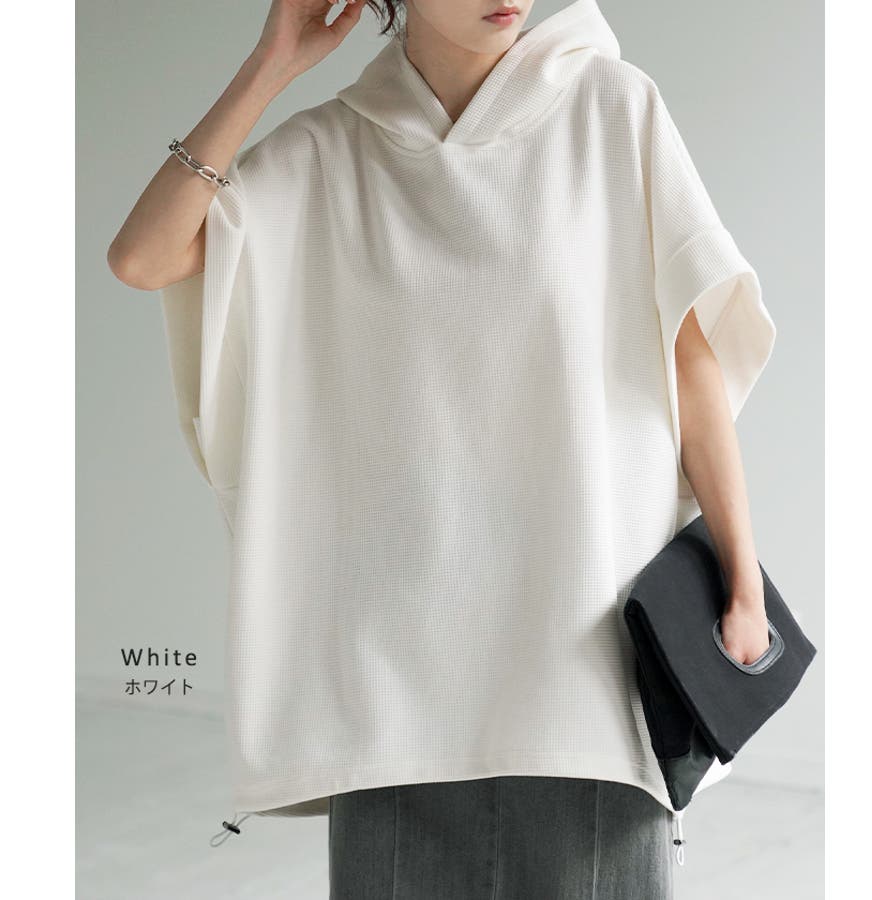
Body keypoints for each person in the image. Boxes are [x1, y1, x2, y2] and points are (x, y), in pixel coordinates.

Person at [108, 1, 777, 897]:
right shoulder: (330, 153)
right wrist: (272, 64)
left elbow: (692, 366)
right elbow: (143, 258)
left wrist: (741, 584)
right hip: (392, 692)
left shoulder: (611, 110)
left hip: (588, 671)